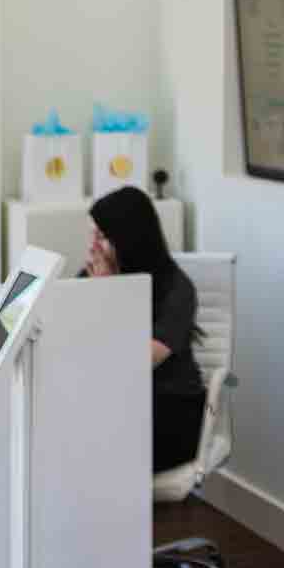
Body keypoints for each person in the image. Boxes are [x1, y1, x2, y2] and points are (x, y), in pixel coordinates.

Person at [83, 186, 205, 473]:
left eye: (101, 237)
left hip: (170, 412)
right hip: (117, 404)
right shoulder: (98, 272)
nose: (92, 246)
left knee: (81, 444)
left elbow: (138, 360)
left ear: (127, 240)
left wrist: (108, 295)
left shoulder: (177, 289)